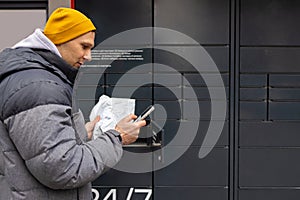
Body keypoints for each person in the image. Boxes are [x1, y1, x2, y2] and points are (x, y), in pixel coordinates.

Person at [0, 7, 146, 200]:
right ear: (59, 40)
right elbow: (63, 168)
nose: (88, 56)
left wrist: (82, 133)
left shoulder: (35, 77)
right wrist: (117, 137)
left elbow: (40, 147)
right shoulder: (40, 87)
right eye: (84, 46)